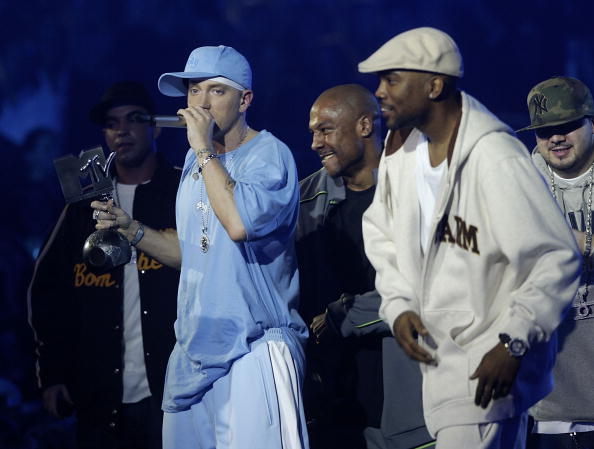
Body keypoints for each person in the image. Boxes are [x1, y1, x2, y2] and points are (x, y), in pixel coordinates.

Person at [358, 27, 582, 448]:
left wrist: (512, 342)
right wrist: (399, 304)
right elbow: (381, 232)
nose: (380, 92)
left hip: (486, 368)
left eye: (392, 80)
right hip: (440, 365)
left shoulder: (494, 156)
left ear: (434, 85)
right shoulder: (400, 149)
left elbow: (557, 257)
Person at [91, 45, 309, 449]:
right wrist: (133, 229)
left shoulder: (269, 155)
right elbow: (194, 252)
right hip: (194, 353)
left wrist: (204, 148)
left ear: (245, 100)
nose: (200, 103)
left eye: (215, 91)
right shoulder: (196, 162)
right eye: (193, 91)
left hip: (254, 350)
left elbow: (239, 224)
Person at [28, 81, 181, 449]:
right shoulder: (82, 204)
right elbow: (48, 290)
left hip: (174, 388)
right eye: (112, 123)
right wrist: (52, 373)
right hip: (99, 393)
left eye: (133, 119)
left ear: (155, 127)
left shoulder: (183, 191)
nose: (122, 131)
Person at [297, 83, 433, 449]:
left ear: (364, 126)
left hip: (411, 412)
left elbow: (428, 289)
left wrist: (345, 315)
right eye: (312, 132)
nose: (315, 143)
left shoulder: (420, 190)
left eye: (325, 130)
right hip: (332, 412)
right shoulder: (304, 201)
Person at [517, 76, 594, 449]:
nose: (556, 139)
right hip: (550, 415)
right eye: (544, 131)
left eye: (566, 126)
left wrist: (581, 242)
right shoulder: (522, 184)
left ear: (590, 121)